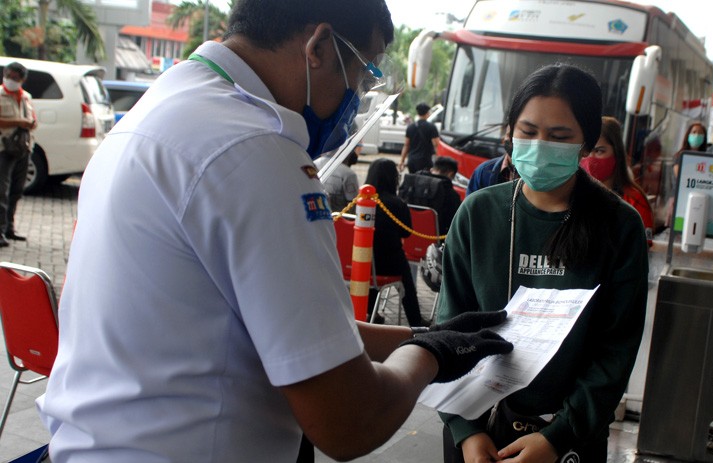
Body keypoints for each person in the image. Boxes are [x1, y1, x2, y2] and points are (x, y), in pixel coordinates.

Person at [36, 1, 514, 461]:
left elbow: (301, 330)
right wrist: (431, 355)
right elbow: (350, 420)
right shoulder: (256, 149)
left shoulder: (163, 109)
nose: (355, 98)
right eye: (361, 73)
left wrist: (423, 333)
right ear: (319, 46)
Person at [437, 64, 648, 462]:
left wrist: (557, 438)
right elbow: (449, 327)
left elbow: (615, 350)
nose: (539, 146)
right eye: (528, 131)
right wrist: (466, 431)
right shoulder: (478, 213)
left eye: (559, 136)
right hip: (477, 432)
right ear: (510, 132)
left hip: (569, 440)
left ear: (586, 143)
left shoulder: (619, 226)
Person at [366, 158, 428, 327]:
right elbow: (406, 232)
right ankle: (416, 320)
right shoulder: (397, 203)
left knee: (371, 276)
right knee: (405, 277)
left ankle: (371, 313)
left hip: (363, 262)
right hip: (390, 262)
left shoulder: (361, 200)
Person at [581, 116, 655, 245]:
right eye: (587, 151)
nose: (591, 158)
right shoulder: (569, 196)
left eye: (599, 151)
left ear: (617, 153)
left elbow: (642, 249)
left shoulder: (635, 201)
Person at [0, 61, 36, 247]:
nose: (11, 80)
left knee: (16, 190)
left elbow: (33, 121)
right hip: (3, 148)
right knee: (2, 191)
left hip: (23, 148)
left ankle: (9, 228)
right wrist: (19, 122)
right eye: (9, 76)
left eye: (15, 78)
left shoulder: (26, 97)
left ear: (22, 80)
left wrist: (29, 124)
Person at [399, 155, 461, 233]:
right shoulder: (452, 195)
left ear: (432, 169)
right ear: (450, 174)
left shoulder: (411, 184)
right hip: (435, 238)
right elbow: (454, 223)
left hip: (405, 234)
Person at [398, 102, 440, 173]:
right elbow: (436, 145)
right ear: (427, 113)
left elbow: (406, 145)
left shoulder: (410, 127)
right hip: (426, 161)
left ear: (418, 113)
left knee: (413, 179)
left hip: (412, 161)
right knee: (424, 179)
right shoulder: (431, 127)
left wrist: (402, 161)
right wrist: (438, 161)